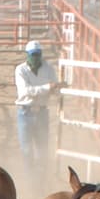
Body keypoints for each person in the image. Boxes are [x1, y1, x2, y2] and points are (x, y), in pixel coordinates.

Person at [14, 40, 63, 185]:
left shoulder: (48, 69)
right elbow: (24, 92)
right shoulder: (21, 70)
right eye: (33, 55)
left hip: (40, 112)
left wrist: (57, 89)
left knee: (42, 149)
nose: (36, 57)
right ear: (27, 55)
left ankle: (41, 180)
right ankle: (31, 181)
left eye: (38, 54)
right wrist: (48, 87)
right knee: (27, 150)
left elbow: (54, 89)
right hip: (26, 112)